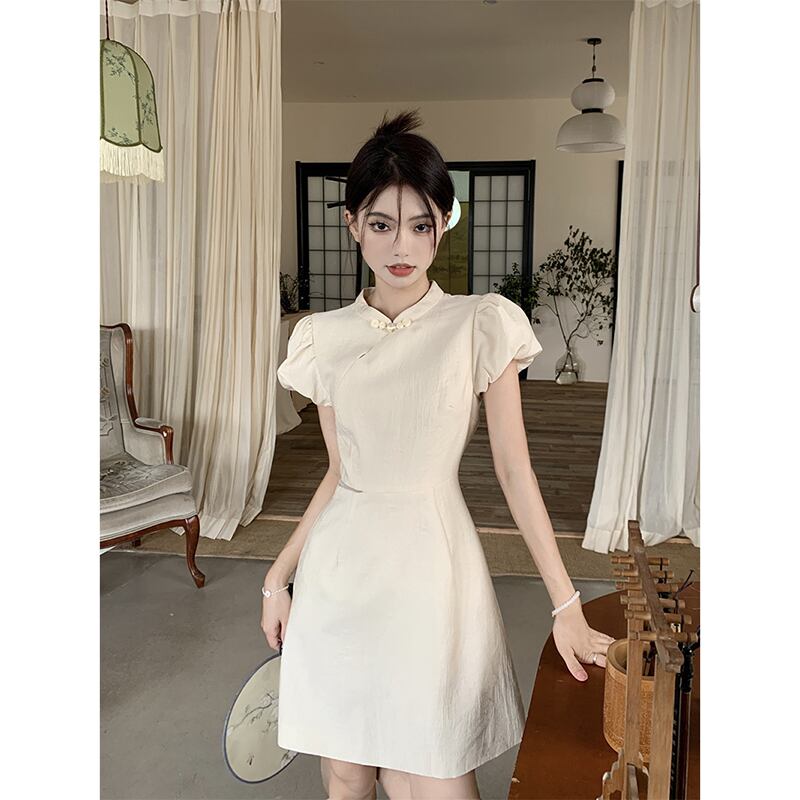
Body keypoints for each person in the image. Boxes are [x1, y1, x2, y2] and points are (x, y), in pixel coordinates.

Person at [262, 109, 615, 800]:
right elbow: (340, 473)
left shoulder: (479, 323)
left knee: (434, 769)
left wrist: (566, 602)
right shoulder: (322, 338)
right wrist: (278, 578)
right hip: (339, 575)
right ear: (352, 223)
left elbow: (514, 470)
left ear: (443, 224)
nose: (402, 245)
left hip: (432, 568)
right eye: (382, 223)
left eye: (420, 224)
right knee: (347, 769)